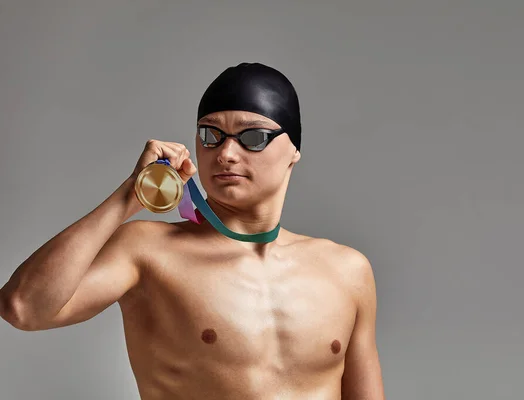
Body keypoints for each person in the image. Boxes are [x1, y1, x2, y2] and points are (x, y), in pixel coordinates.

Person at [0, 63, 385, 399]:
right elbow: (23, 308)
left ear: (294, 149)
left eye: (253, 137)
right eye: (210, 135)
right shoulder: (149, 253)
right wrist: (129, 197)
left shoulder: (347, 271)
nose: (226, 154)